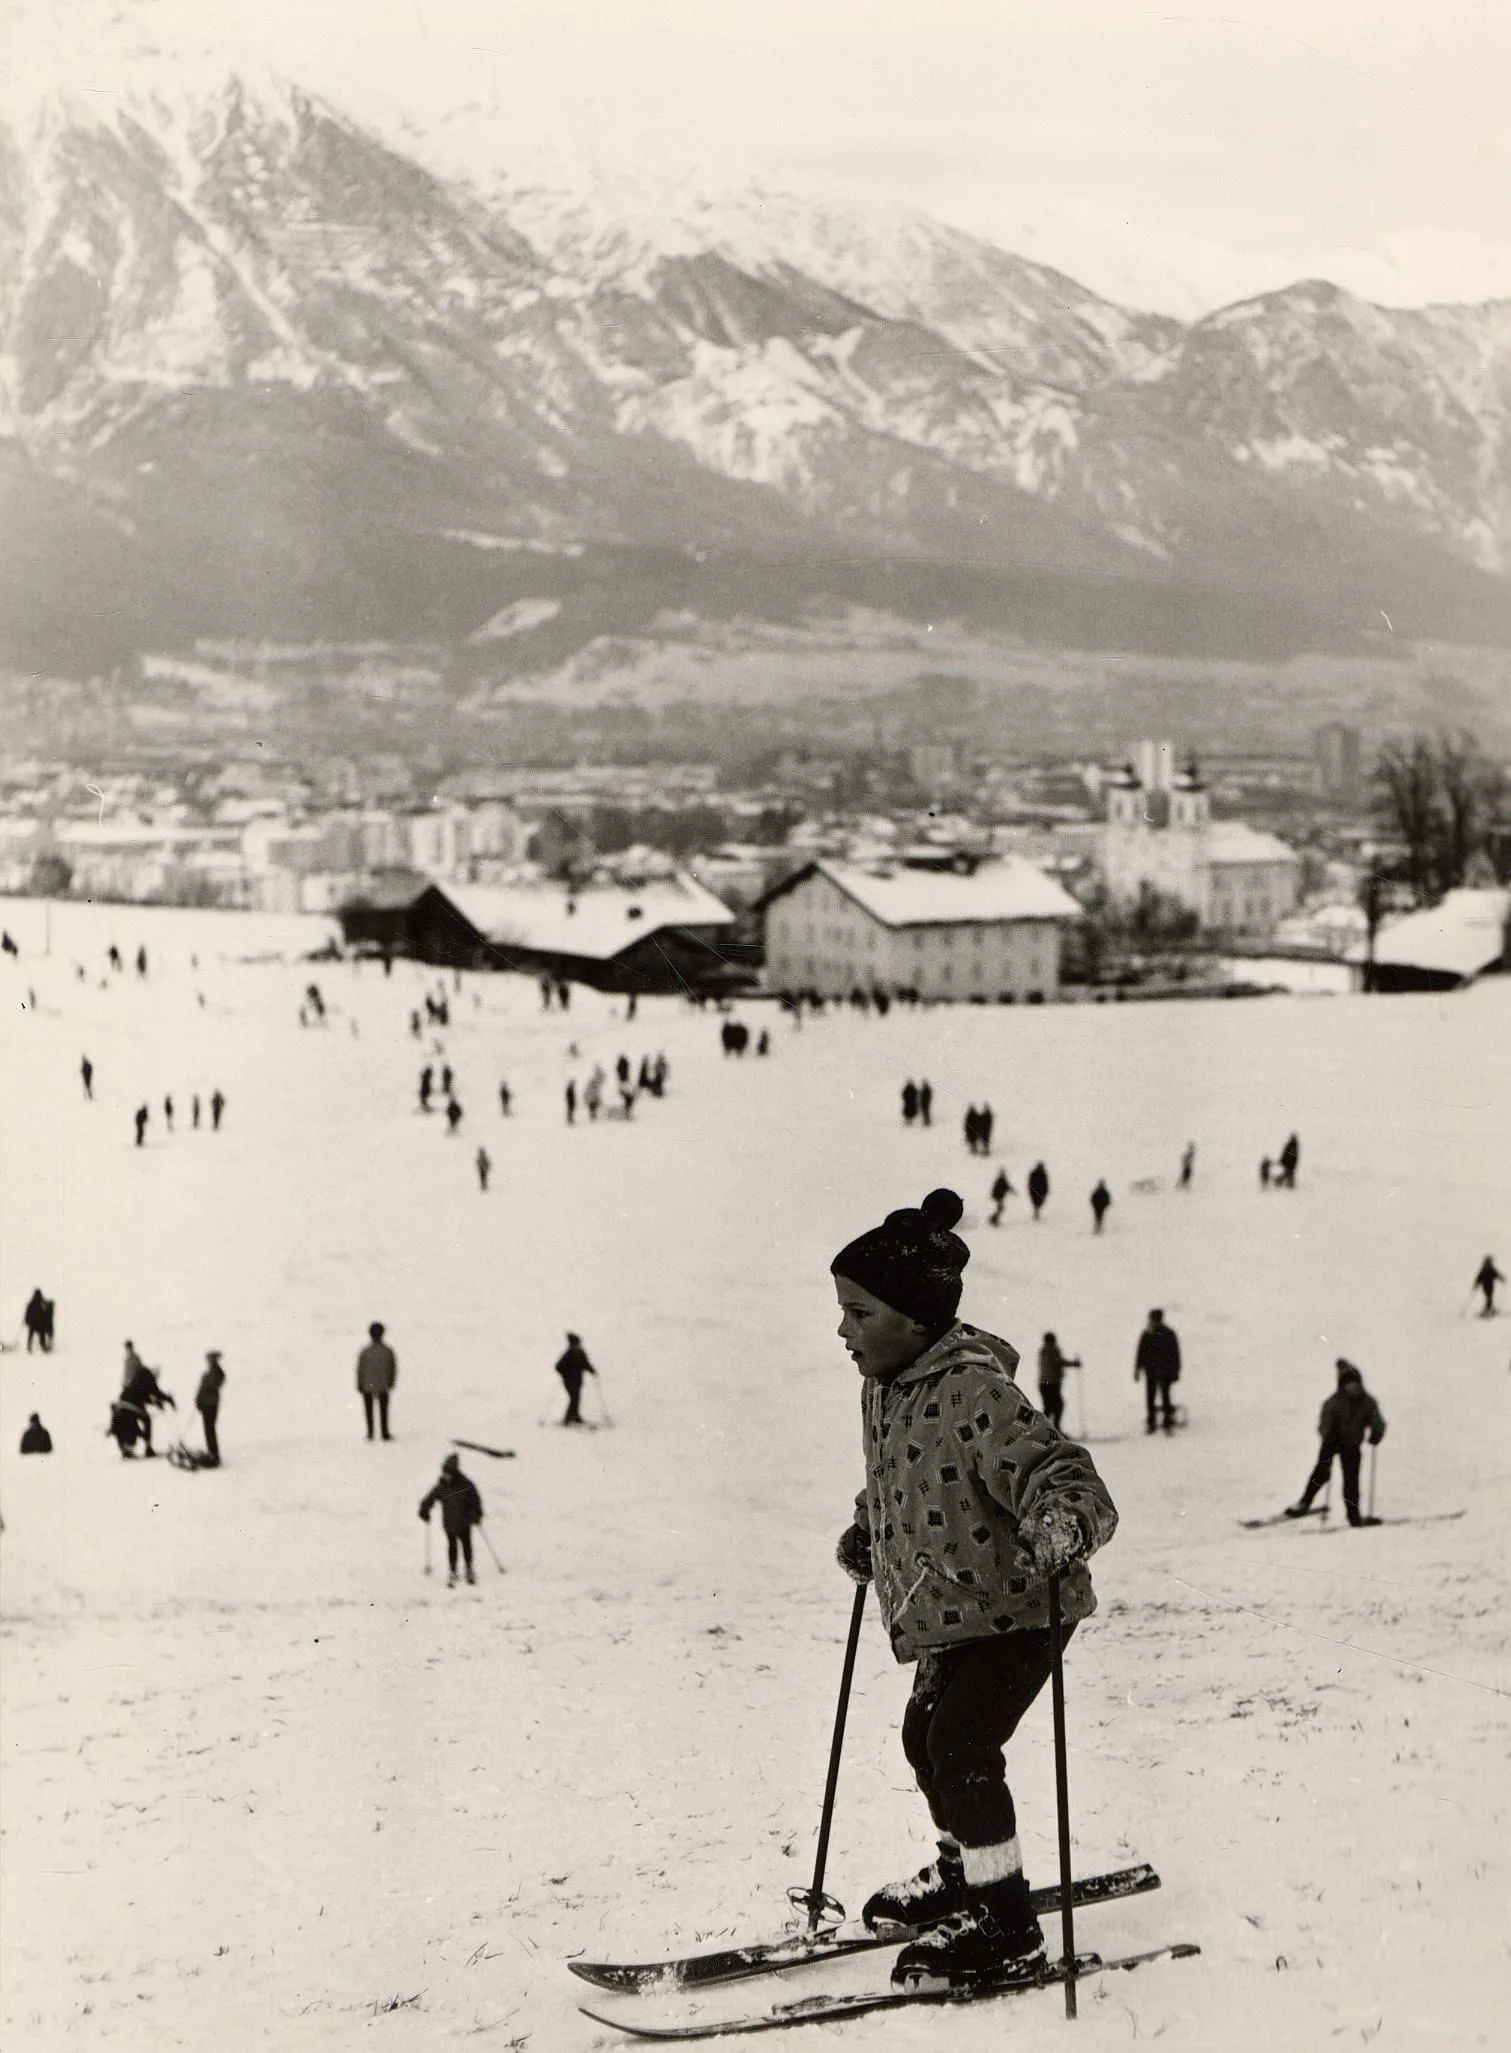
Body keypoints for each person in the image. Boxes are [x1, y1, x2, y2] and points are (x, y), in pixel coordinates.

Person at [831, 1188, 1118, 1992]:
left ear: (914, 1321)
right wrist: (869, 1526)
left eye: (859, 1314)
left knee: (960, 1748)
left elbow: (1060, 1470)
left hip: (1021, 1604)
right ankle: (966, 1870)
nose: (842, 1332)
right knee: (924, 1741)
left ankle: (1004, 1919)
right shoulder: (885, 1388)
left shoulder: (975, 1391)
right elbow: (893, 1477)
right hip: (949, 1608)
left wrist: (1063, 1521)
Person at [1286, 1361, 1386, 1527]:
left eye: (1356, 1383)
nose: (1354, 1387)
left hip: (1352, 1444)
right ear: (1343, 1385)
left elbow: (1377, 1421)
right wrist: (1329, 1434)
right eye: (1350, 1383)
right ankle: (1304, 1503)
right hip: (1332, 1442)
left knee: (1351, 1481)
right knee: (1322, 1472)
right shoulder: (1333, 1402)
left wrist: (1377, 1433)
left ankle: (1353, 1516)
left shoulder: (1368, 1402)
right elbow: (1323, 1424)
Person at [419, 1454, 485, 1585]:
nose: (445, 1475)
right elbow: (429, 1499)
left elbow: (475, 1501)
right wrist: (424, 1510)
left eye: (448, 1473)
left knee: (466, 1545)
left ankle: (469, 1569)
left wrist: (476, 1514)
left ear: (454, 1473)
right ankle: (453, 1571)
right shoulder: (441, 1486)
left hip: (465, 1521)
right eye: (444, 1472)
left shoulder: (466, 1484)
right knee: (452, 1546)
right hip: (449, 1523)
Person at [120, 1346, 176, 1455]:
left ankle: (126, 1449)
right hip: (132, 1405)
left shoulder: (138, 1377)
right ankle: (148, 1448)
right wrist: (168, 1400)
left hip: (122, 1403)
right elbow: (155, 1392)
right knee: (147, 1421)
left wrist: (156, 1403)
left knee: (129, 1423)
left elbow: (144, 1395)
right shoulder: (148, 1376)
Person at [1133, 1308, 1180, 1434]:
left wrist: (1176, 1371)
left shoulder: (1165, 1333)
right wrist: (1137, 1369)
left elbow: (1175, 1354)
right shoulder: (1149, 1333)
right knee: (1151, 1397)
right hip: (1151, 1370)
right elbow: (1141, 1353)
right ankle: (1152, 1422)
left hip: (1164, 1370)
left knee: (1164, 1396)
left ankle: (1166, 1421)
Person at [357, 1322, 397, 1441]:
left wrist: (359, 1383)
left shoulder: (365, 1351)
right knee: (383, 1410)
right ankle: (384, 1433)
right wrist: (391, 1381)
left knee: (369, 1410)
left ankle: (370, 1433)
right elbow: (392, 1368)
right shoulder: (388, 1351)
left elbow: (360, 1369)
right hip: (383, 1384)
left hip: (367, 1385)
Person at [1036, 1333, 1080, 1431]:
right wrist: (1074, 1364)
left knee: (1049, 1407)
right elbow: (1059, 1362)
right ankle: (1052, 1430)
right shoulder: (1051, 1350)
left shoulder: (1043, 1351)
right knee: (1057, 1406)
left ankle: (1046, 1430)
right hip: (1051, 1384)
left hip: (1044, 1384)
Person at [555, 1332, 597, 1426]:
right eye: (576, 1343)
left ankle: (575, 1416)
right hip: (569, 1381)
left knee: (576, 1398)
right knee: (574, 1398)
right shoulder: (569, 1354)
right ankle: (568, 1418)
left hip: (578, 1381)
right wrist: (565, 1374)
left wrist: (592, 1371)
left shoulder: (580, 1353)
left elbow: (585, 1364)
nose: (578, 1345)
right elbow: (558, 1366)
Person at [196, 1352, 226, 1467]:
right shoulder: (212, 1372)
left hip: (210, 1403)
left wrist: (201, 1398)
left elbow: (209, 1387)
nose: (208, 1361)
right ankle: (212, 1452)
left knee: (209, 1428)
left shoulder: (216, 1373)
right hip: (207, 1403)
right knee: (208, 1428)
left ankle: (214, 1453)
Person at [24, 1287, 50, 1353]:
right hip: (40, 1324)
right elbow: (46, 1314)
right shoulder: (42, 1304)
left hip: (32, 1324)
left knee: (31, 1335)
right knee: (42, 1334)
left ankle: (29, 1347)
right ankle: (43, 1346)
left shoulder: (31, 1303)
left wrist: (26, 1321)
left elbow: (27, 1314)